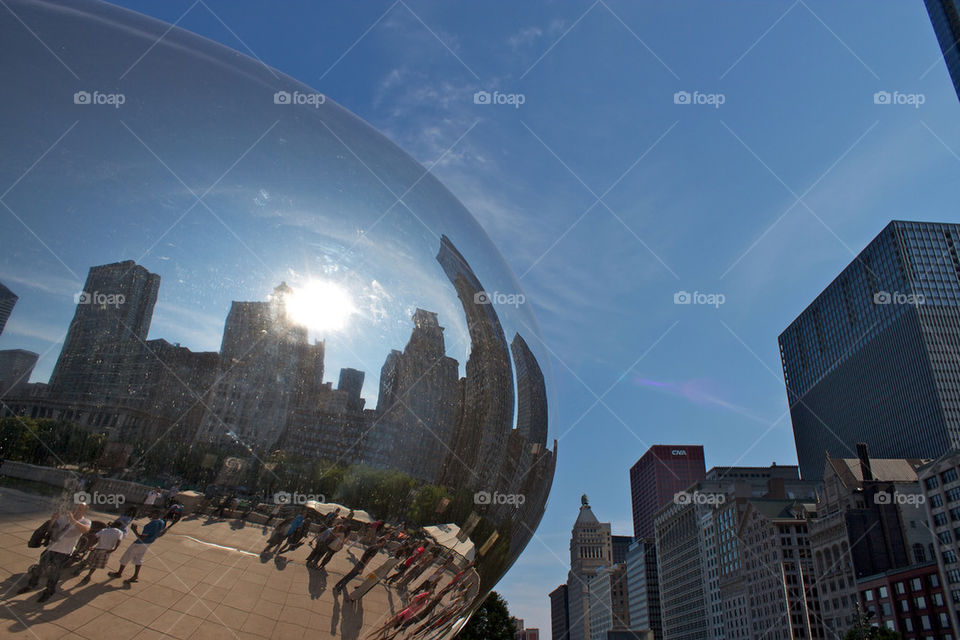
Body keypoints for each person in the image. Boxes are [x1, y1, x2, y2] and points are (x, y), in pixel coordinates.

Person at [18, 503, 91, 603]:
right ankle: (31, 585)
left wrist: (72, 519)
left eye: (80, 508)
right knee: (40, 567)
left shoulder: (86, 521)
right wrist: (53, 520)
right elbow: (50, 530)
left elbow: (85, 530)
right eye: (76, 507)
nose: (77, 509)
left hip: (64, 551)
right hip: (51, 548)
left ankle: (49, 591)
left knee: (54, 573)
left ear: (84, 511)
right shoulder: (63, 518)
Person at [108, 509, 165, 583]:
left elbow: (142, 537)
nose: (149, 514)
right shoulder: (162, 522)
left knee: (126, 557)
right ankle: (135, 576)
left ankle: (119, 573)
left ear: (155, 515)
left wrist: (134, 530)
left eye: (151, 513)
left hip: (139, 543)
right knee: (138, 558)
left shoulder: (150, 525)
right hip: (148, 543)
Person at [78, 520, 125, 585]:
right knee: (95, 565)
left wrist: (90, 545)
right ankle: (89, 575)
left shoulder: (104, 530)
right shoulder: (120, 533)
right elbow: (119, 541)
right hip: (106, 551)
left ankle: (79, 569)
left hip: (97, 548)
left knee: (89, 560)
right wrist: (114, 549)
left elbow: (94, 537)